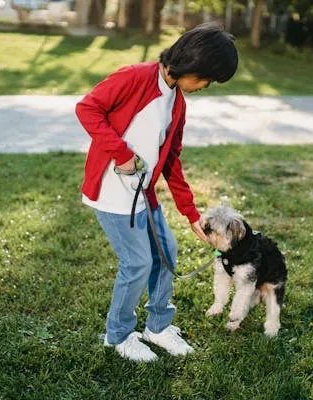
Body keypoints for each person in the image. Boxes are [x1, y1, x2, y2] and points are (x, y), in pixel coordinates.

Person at [75, 23, 238, 362]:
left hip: (143, 194)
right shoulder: (135, 77)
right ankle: (117, 335)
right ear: (192, 66)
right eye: (207, 79)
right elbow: (87, 108)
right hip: (111, 192)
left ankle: (158, 327)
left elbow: (171, 161)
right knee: (136, 264)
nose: (205, 87)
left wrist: (191, 214)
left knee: (166, 252)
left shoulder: (177, 101)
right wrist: (121, 154)